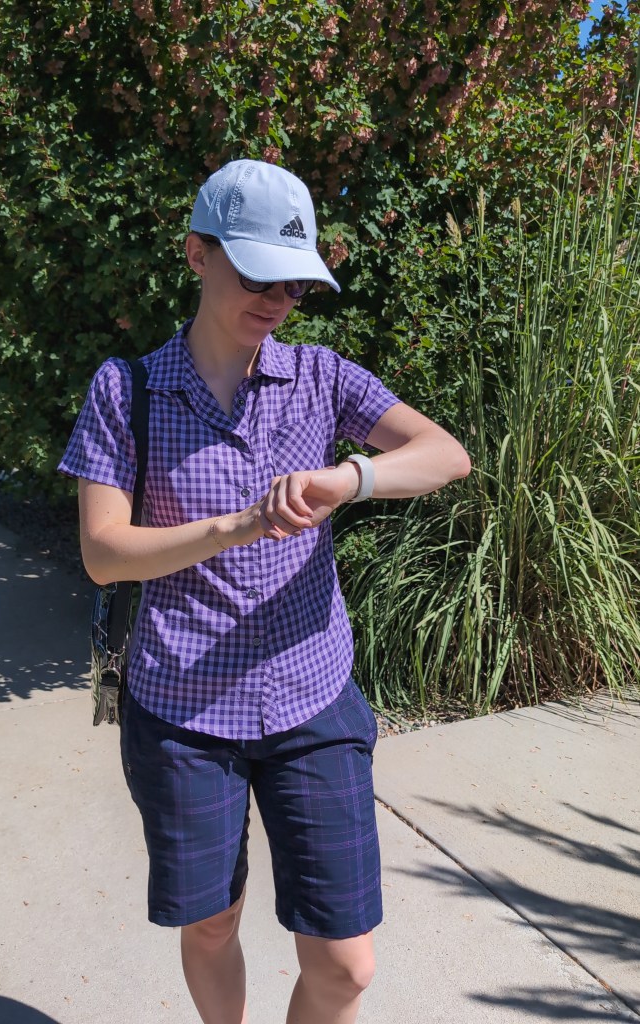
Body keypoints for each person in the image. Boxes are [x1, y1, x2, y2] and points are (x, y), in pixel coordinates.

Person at [59, 159, 471, 1024]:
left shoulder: (320, 378)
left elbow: (444, 455)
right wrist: (235, 526)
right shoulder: (127, 390)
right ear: (196, 254)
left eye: (294, 285)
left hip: (310, 699)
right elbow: (102, 552)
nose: (277, 301)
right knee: (211, 925)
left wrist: (349, 479)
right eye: (257, 277)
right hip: (182, 711)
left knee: (347, 965)